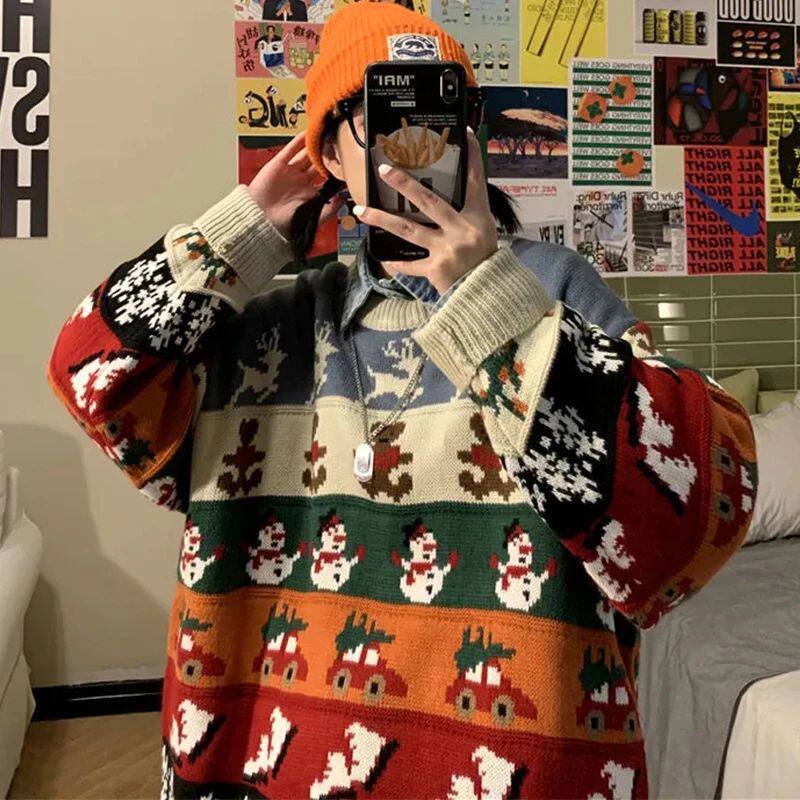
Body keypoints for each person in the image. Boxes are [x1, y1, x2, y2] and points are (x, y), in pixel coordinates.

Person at [46, 4, 756, 798]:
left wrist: (490, 301)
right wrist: (247, 229)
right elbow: (91, 379)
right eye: (383, 114)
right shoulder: (270, 323)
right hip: (266, 766)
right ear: (327, 155)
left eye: (440, 113)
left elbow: (697, 518)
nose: (414, 144)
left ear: (472, 138)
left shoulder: (553, 292)